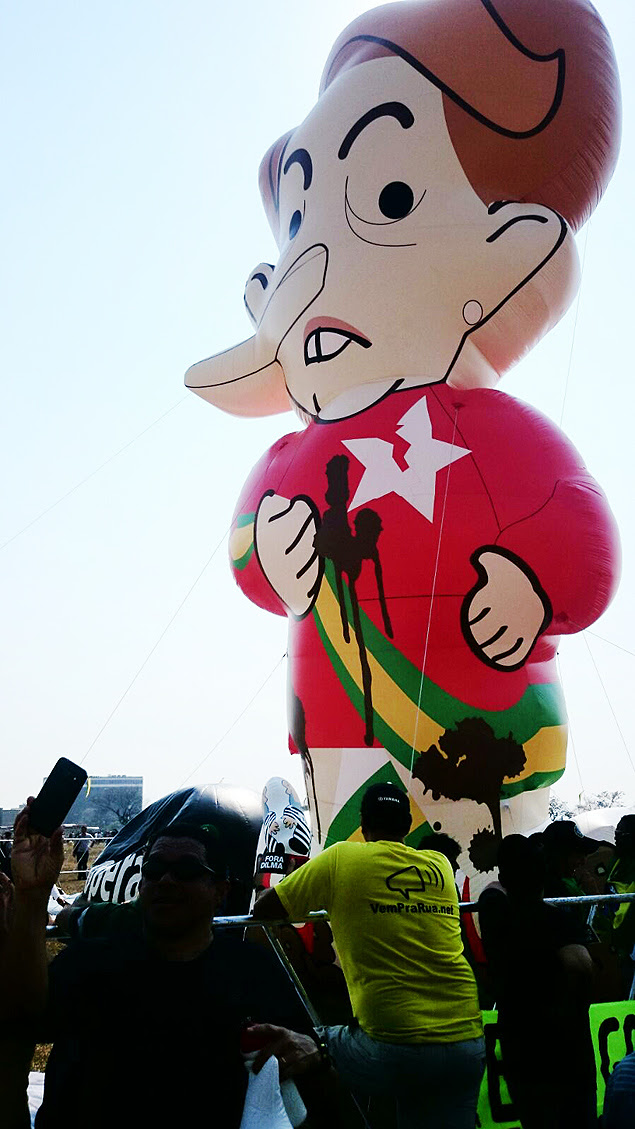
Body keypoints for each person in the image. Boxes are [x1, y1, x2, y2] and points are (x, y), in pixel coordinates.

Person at [0, 801, 335, 1129]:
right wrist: (31, 894)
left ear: (221, 890)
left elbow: (306, 1050)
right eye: (155, 869)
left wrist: (313, 1050)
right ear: (141, 883)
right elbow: (21, 1017)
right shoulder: (89, 962)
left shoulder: (253, 971)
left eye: (187, 871)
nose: (166, 881)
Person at [254, 782, 485, 1129]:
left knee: (300, 1050)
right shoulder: (439, 864)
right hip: (466, 1042)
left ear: (362, 824)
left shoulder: (341, 858)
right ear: (408, 826)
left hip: (389, 1048)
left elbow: (265, 908)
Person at [478, 834, 596, 1129]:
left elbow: (491, 893)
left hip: (521, 1047)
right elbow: (581, 964)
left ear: (504, 876)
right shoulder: (556, 921)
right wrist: (576, 1005)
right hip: (568, 1049)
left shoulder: (496, 917)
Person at [594, 814, 635, 996]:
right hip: (612, 940)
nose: (617, 837)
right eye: (616, 833)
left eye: (622, 834)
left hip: (630, 941)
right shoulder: (615, 861)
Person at [541, 819, 598, 939]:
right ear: (558, 855)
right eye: (578, 854)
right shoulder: (550, 890)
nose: (583, 861)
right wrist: (593, 898)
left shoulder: (568, 882)